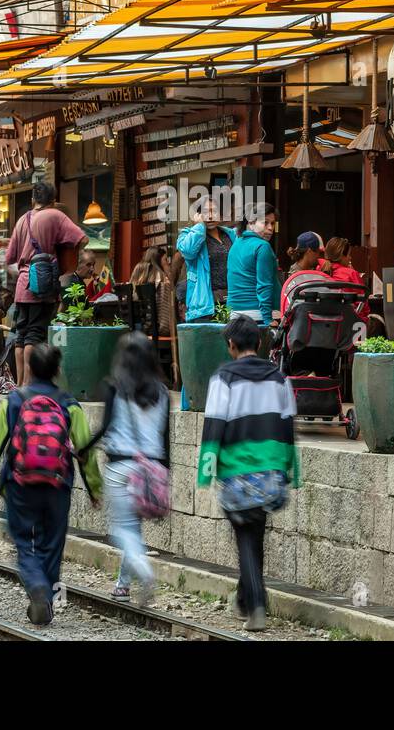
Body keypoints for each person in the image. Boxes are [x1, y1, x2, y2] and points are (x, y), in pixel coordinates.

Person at [0, 343, 101, 624]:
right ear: (57, 370)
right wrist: (94, 489)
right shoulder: (69, 404)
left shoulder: (15, 400)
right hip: (57, 485)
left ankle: (36, 586)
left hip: (19, 486)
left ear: (29, 368)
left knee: (24, 544)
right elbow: (86, 452)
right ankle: (47, 596)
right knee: (52, 543)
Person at [197, 317, 299, 632]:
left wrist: (205, 472)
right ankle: (244, 598)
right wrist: (290, 471)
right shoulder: (279, 378)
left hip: (238, 472)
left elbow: (214, 425)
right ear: (258, 343)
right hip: (271, 472)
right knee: (255, 533)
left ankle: (256, 605)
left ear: (231, 345)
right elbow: (287, 426)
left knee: (245, 535)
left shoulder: (223, 378)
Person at [88, 333, 169, 605]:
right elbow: (165, 437)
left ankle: (144, 570)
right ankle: (122, 586)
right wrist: (165, 474)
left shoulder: (114, 387)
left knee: (121, 530)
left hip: (120, 466)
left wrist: (83, 448)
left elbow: (104, 427)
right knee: (133, 528)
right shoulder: (163, 392)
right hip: (151, 467)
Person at [5, 181, 87, 386]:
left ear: (33, 199)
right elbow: (82, 239)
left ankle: (19, 383)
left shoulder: (22, 219)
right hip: (42, 286)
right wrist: (59, 253)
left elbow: (9, 257)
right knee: (35, 333)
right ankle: (29, 383)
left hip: (22, 284)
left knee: (21, 334)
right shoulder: (55, 215)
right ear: (53, 200)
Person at [175, 197, 235, 322]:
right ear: (198, 215)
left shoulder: (231, 234)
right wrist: (199, 227)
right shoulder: (187, 235)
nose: (210, 216)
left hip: (231, 301)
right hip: (206, 304)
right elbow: (188, 252)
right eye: (206, 212)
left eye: (214, 211)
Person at [226, 203, 280, 324]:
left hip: (234, 314)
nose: (270, 228)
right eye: (265, 222)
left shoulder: (236, 244)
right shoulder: (263, 246)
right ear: (250, 223)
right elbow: (264, 284)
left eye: (272, 223)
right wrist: (267, 319)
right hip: (258, 315)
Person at [129, 246, 174, 334]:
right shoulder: (159, 275)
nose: (167, 262)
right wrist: (167, 269)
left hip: (136, 324)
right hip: (152, 326)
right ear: (158, 260)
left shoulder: (138, 268)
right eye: (165, 260)